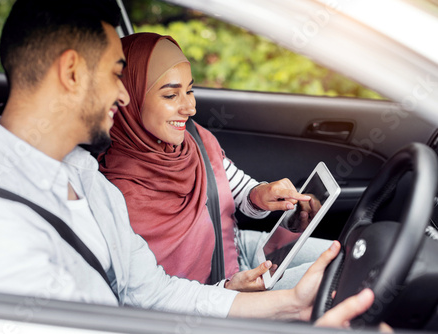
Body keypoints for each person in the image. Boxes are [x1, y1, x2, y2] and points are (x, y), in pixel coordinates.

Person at [0, 0, 380, 329]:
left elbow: (150, 293)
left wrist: (292, 305)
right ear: (72, 72)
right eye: (116, 73)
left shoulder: (88, 180)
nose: (125, 95)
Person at [99, 32, 331, 291]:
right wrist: (227, 292)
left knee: (340, 262)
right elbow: (148, 297)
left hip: (235, 248)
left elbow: (237, 190)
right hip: (206, 299)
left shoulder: (195, 139)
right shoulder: (113, 192)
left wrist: (259, 194)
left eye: (189, 90)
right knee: (335, 282)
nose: (189, 107)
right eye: (170, 95)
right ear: (128, 97)